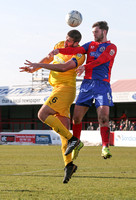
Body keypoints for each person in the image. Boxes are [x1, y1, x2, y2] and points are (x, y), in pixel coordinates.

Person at [20, 30, 85, 183]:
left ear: (76, 43)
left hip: (66, 89)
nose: (66, 42)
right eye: (66, 39)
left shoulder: (80, 54)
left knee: (42, 114)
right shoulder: (60, 45)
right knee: (63, 133)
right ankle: (69, 165)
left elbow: (64, 67)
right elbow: (49, 57)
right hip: (57, 88)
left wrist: (40, 65)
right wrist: (33, 68)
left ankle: (74, 140)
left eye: (69, 41)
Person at [50, 21, 117, 159]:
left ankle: (105, 147)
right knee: (76, 118)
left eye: (96, 32)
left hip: (102, 85)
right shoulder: (90, 45)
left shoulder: (111, 47)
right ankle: (76, 144)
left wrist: (85, 67)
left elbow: (102, 60)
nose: (93, 34)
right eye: (92, 32)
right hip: (87, 85)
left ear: (104, 32)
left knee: (103, 117)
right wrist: (59, 51)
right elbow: (76, 50)